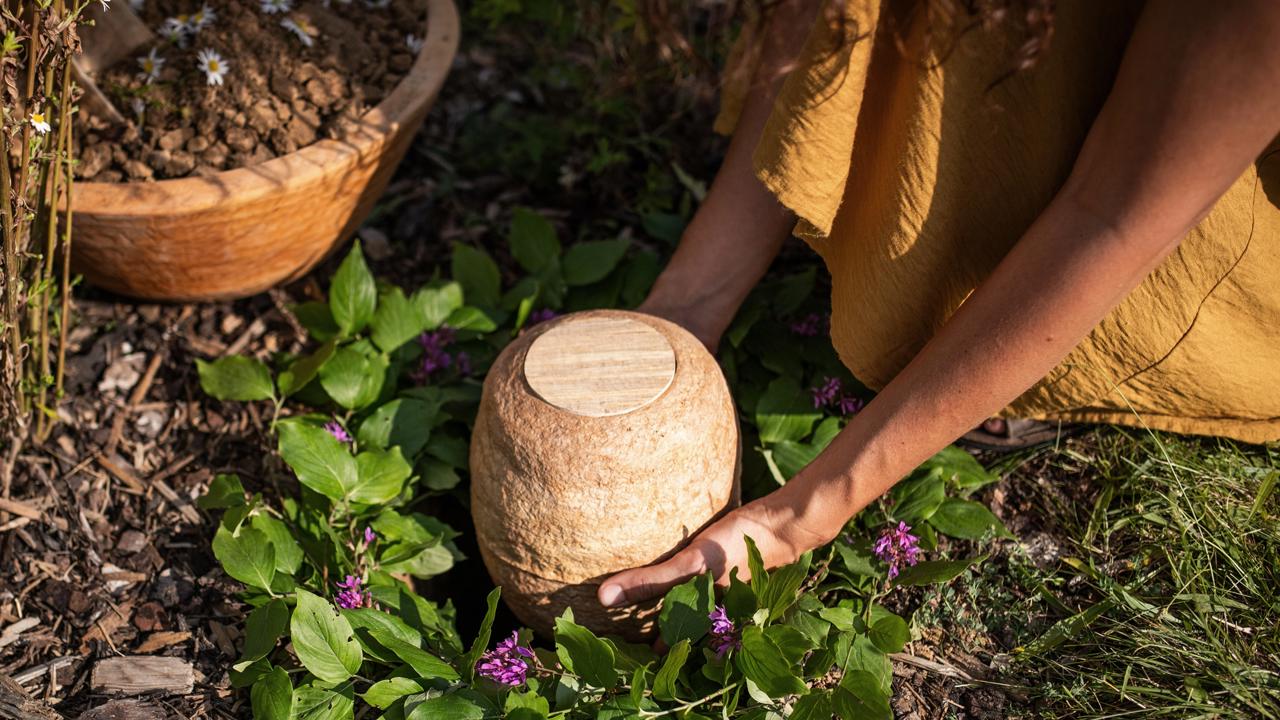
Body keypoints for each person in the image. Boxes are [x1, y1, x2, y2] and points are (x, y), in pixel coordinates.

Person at [595, 0, 1280, 610]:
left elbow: (1113, 219)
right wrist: (684, 310)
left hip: (1187, 222)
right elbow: (832, 26)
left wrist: (800, 515)